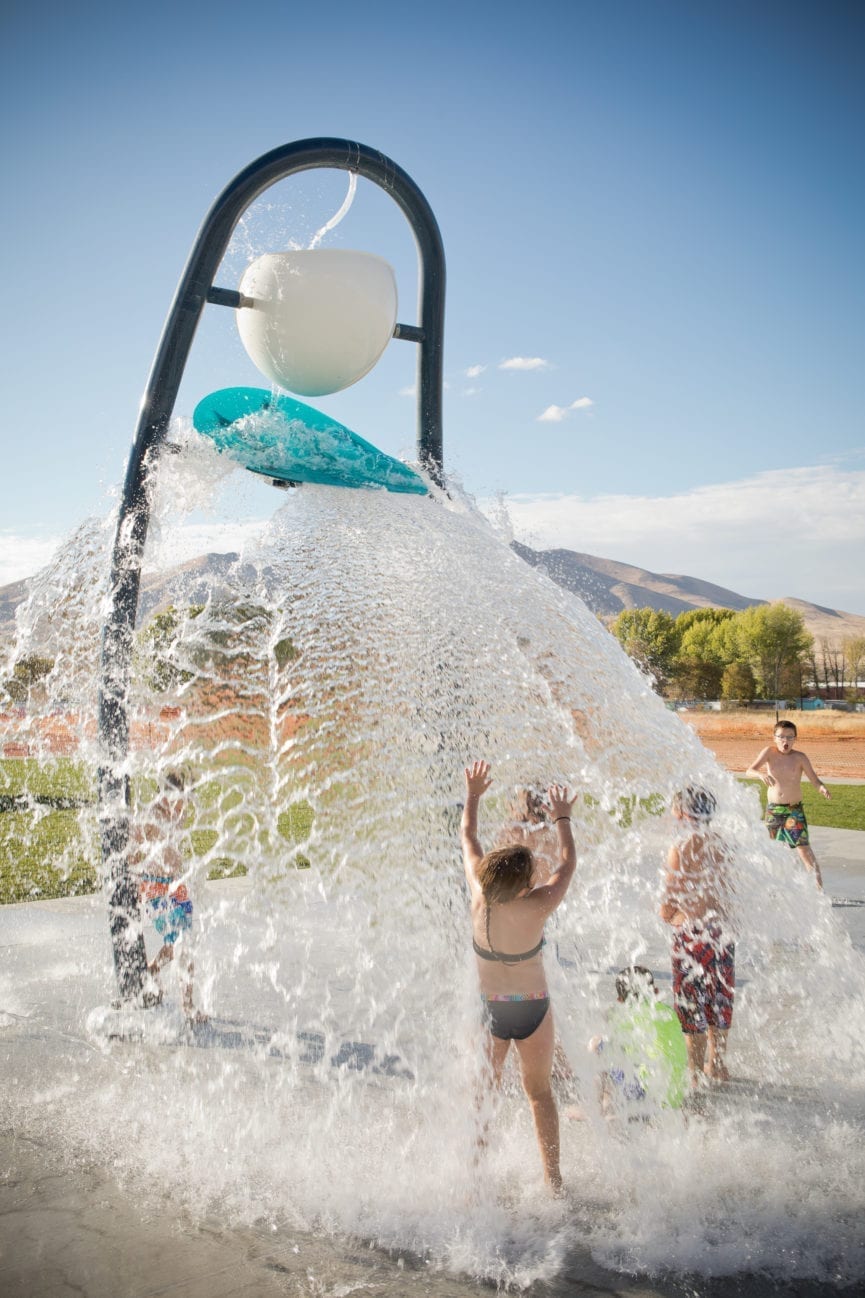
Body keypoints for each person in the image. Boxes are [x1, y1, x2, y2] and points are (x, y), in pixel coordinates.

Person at [462, 759, 577, 1194]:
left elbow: (468, 836)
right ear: (526, 886)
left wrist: (473, 795)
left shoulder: (479, 896)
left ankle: (475, 1179)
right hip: (532, 1009)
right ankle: (554, 1180)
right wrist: (563, 818)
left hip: (490, 1011)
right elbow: (566, 863)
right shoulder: (538, 906)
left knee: (483, 1095)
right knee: (540, 1094)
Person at [660, 786, 734, 1088]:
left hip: (692, 936)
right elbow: (728, 894)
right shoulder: (721, 844)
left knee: (692, 1005)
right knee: (719, 999)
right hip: (721, 933)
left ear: (682, 813)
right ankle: (717, 1064)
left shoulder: (681, 848)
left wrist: (668, 914)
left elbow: (669, 901)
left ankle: (694, 1074)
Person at [131, 767, 207, 1024]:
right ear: (165, 795)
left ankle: (157, 972)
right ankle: (183, 1001)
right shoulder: (152, 816)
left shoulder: (179, 812)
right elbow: (133, 851)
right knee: (178, 945)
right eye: (179, 798)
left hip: (176, 886)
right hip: (155, 887)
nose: (183, 804)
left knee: (184, 945)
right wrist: (136, 886)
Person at [588, 966, 687, 1118]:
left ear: (620, 1000)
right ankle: (613, 1103)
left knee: (596, 1044)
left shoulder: (624, 1015)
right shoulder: (668, 1012)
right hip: (673, 1097)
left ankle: (596, 1109)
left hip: (645, 1093)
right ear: (655, 991)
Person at [745, 719, 830, 889]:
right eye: (781, 737)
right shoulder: (769, 752)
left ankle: (819, 891)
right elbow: (749, 770)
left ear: (795, 739)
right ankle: (772, 889)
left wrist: (821, 788)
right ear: (774, 738)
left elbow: (814, 780)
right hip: (774, 811)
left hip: (793, 811)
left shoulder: (800, 758)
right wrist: (761, 775)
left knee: (803, 849)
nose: (786, 741)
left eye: (790, 737)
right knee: (771, 851)